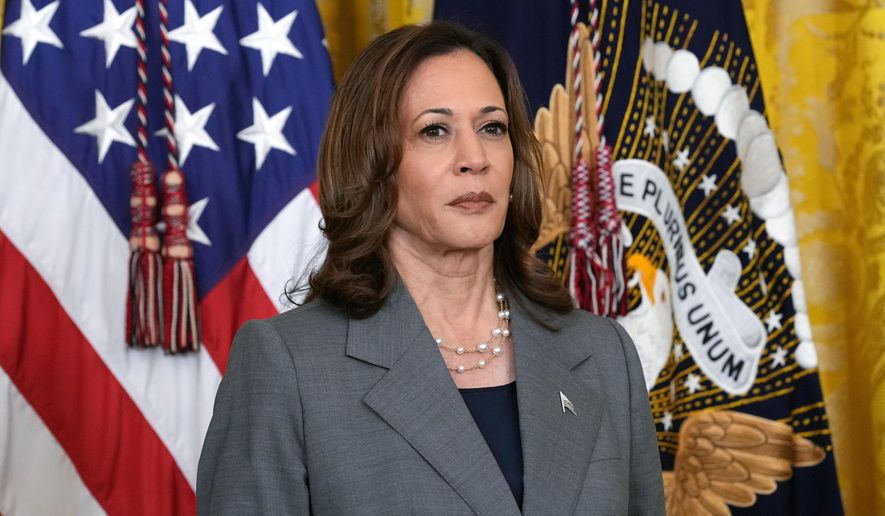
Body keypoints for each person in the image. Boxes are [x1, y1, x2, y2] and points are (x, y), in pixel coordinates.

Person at [197, 21, 664, 515]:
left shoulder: (602, 354)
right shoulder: (287, 367)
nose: (474, 158)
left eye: (492, 128)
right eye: (434, 130)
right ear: (372, 161)